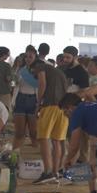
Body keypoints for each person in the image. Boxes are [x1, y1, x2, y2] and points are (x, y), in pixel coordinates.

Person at [32, 53, 69, 184]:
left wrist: (38, 103)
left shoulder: (40, 67)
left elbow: (42, 84)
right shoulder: (58, 72)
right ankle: (55, 172)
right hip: (63, 107)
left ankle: (47, 172)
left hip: (50, 106)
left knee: (43, 138)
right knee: (57, 141)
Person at [13, 46, 40, 150]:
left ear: (35, 57)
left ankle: (36, 151)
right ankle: (15, 152)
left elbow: (40, 86)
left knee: (34, 132)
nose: (28, 59)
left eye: (30, 56)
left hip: (34, 100)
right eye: (26, 57)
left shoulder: (39, 71)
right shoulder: (20, 70)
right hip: (20, 99)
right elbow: (14, 84)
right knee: (19, 132)